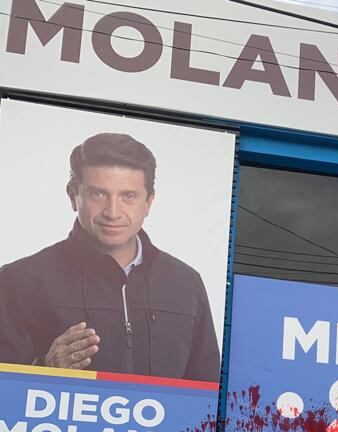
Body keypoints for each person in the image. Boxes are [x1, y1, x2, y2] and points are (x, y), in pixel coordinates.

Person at [0, 132, 220, 382]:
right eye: (98, 194)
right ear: (73, 196)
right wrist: (43, 368)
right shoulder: (20, 281)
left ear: (149, 202)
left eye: (128, 196)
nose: (113, 212)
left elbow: (208, 395)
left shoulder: (186, 284)